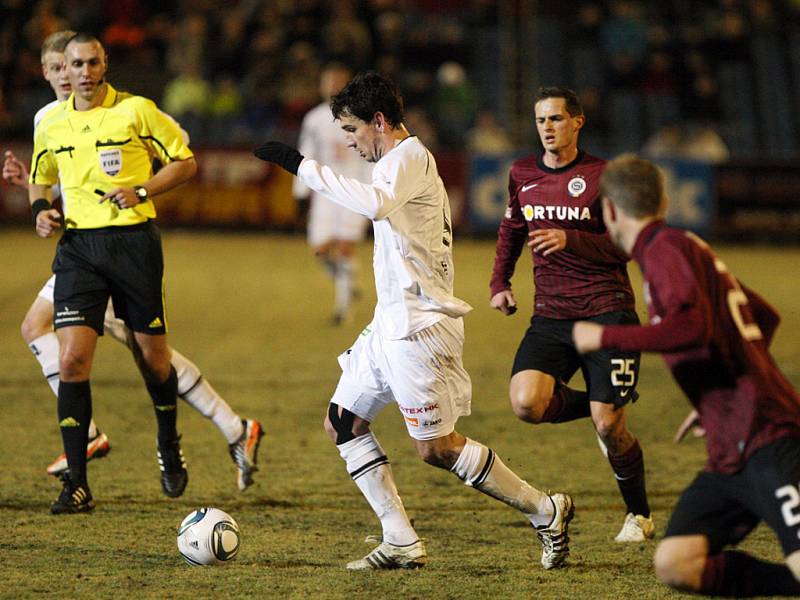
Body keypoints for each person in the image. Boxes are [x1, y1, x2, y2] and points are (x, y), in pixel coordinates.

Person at [254, 71, 574, 571]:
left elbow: (374, 204)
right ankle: (400, 538)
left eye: (353, 131)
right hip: (390, 324)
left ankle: (545, 509)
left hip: (422, 327)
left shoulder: (409, 158)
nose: (352, 143)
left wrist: (302, 167)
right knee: (343, 422)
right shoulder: (394, 163)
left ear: (378, 121)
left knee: (438, 450)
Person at [4, 31, 263, 494]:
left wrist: (140, 187)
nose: (74, 75)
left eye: (85, 64)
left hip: (130, 246)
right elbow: (55, 181)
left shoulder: (133, 109)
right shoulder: (49, 120)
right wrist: (36, 200)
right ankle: (83, 464)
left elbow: (180, 155)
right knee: (65, 350)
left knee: (151, 357)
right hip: (80, 248)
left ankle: (201, 434)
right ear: (47, 71)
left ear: (103, 65)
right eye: (63, 67)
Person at [573, 153, 800, 597]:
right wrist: (718, 390)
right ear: (663, 200)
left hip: (769, 438)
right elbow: (763, 316)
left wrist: (606, 337)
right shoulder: (684, 245)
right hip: (730, 449)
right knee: (677, 562)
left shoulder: (662, 250)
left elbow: (692, 325)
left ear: (612, 211)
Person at [489, 86, 653, 542]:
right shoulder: (522, 173)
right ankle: (608, 404)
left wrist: (571, 238)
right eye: (541, 120)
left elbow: (626, 245)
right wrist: (499, 283)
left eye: (556, 119)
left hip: (608, 314)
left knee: (610, 429)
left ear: (577, 122)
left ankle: (639, 515)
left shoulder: (604, 176)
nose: (547, 128)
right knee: (527, 404)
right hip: (552, 315)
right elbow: (511, 231)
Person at [292, 62, 371, 325]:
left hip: (354, 189)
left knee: (346, 247)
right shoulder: (314, 119)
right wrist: (301, 190)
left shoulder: (361, 115)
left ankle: (343, 310)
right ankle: (347, 281)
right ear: (321, 85)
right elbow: (307, 153)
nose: (334, 85)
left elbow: (372, 155)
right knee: (321, 250)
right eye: (329, 80)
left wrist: (374, 192)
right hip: (325, 191)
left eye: (339, 80)